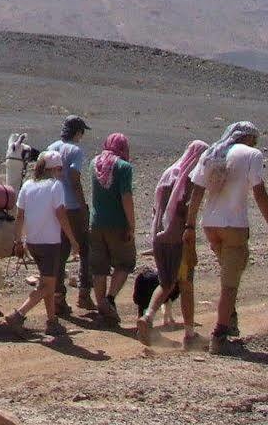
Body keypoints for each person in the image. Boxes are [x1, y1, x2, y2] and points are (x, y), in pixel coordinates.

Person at [186, 121, 268, 351]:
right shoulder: (252, 155)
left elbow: (197, 190)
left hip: (210, 224)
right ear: (247, 138)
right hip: (234, 225)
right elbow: (259, 191)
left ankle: (230, 317)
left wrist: (190, 225)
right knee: (230, 282)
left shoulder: (212, 152)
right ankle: (219, 334)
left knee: (228, 273)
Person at [139, 138, 206, 345]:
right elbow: (184, 210)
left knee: (166, 283)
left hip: (159, 237)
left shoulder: (169, 173)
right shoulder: (191, 178)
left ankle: (148, 315)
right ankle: (189, 333)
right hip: (179, 239)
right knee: (186, 285)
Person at [7, 149, 80, 338]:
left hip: (33, 242)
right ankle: (18, 314)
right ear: (54, 168)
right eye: (59, 169)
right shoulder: (56, 186)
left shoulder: (28, 186)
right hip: (50, 243)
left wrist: (18, 241)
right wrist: (73, 240)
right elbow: (61, 215)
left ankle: (52, 321)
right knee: (48, 286)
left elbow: (20, 216)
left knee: (48, 281)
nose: (61, 172)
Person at [85, 132, 137, 326]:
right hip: (117, 224)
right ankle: (110, 299)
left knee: (99, 267)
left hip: (96, 223)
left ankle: (101, 309)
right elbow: (126, 197)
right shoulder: (124, 167)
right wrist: (131, 225)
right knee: (125, 263)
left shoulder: (94, 163)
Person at [50, 115, 94, 316]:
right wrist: (83, 205)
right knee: (85, 248)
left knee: (60, 252)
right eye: (81, 132)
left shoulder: (51, 148)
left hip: (54, 204)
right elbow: (75, 179)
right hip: (73, 207)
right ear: (77, 132)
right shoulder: (75, 151)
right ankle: (84, 294)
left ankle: (58, 297)